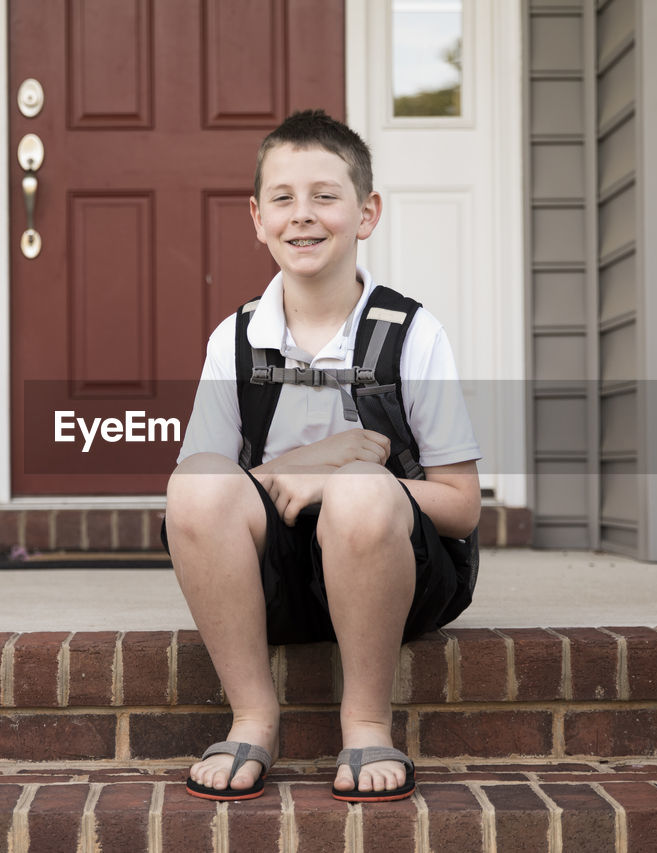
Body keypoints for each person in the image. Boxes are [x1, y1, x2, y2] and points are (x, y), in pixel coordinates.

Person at [161, 110, 482, 803]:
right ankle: (252, 714)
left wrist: (353, 480)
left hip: (392, 571)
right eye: (282, 197)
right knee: (192, 487)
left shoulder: (411, 333)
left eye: (325, 196)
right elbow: (203, 496)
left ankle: (366, 721)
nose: (302, 216)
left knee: (363, 491)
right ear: (256, 217)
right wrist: (314, 459)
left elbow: (460, 507)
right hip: (274, 586)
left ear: (366, 213)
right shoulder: (236, 339)